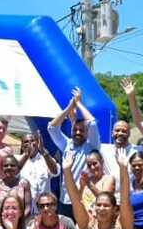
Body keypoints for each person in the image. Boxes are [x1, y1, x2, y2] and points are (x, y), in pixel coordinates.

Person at [48, 88, 100, 218]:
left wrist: (78, 103)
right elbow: (52, 128)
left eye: (81, 130)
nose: (77, 132)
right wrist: (69, 107)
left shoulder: (92, 146)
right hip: (65, 200)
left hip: (85, 200)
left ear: (87, 133)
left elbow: (92, 123)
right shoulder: (67, 144)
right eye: (75, 129)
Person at [17, 131, 58, 214]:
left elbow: (55, 171)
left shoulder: (45, 159)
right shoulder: (18, 159)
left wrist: (43, 152)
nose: (30, 144)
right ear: (22, 145)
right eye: (26, 142)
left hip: (43, 207)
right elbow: (14, 173)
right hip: (24, 208)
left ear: (37, 143)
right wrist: (26, 155)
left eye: (32, 141)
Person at [0, 155, 32, 224]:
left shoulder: (24, 184)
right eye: (6, 165)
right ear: (2, 168)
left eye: (12, 165)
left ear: (17, 168)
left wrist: (17, 222)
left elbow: (28, 208)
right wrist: (2, 222)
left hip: (19, 225)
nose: (9, 167)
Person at [78, 150, 116, 214]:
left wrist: (89, 184)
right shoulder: (85, 180)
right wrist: (81, 187)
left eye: (95, 163)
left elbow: (105, 199)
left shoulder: (109, 179)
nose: (92, 167)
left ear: (101, 162)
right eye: (89, 165)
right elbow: (77, 201)